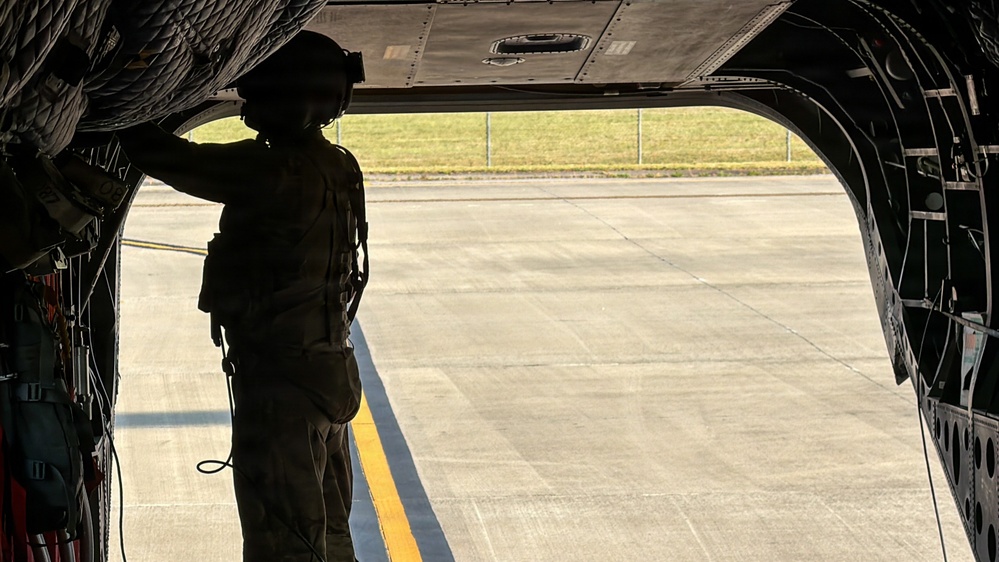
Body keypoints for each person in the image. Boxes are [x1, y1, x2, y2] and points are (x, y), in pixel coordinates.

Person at [116, 31, 368, 562]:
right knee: (328, 534)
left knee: (283, 542)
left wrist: (125, 93)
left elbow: (161, 155)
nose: (249, 106)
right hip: (331, 374)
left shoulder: (271, 171)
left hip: (283, 386)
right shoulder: (341, 166)